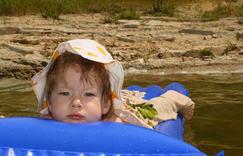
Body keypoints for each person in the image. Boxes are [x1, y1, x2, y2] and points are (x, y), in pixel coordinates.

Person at [31, 39, 194, 128]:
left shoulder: (115, 125)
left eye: (88, 94)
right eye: (65, 93)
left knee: (154, 110)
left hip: (129, 113)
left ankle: (174, 99)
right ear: (50, 103)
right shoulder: (48, 121)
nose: (76, 103)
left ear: (105, 105)